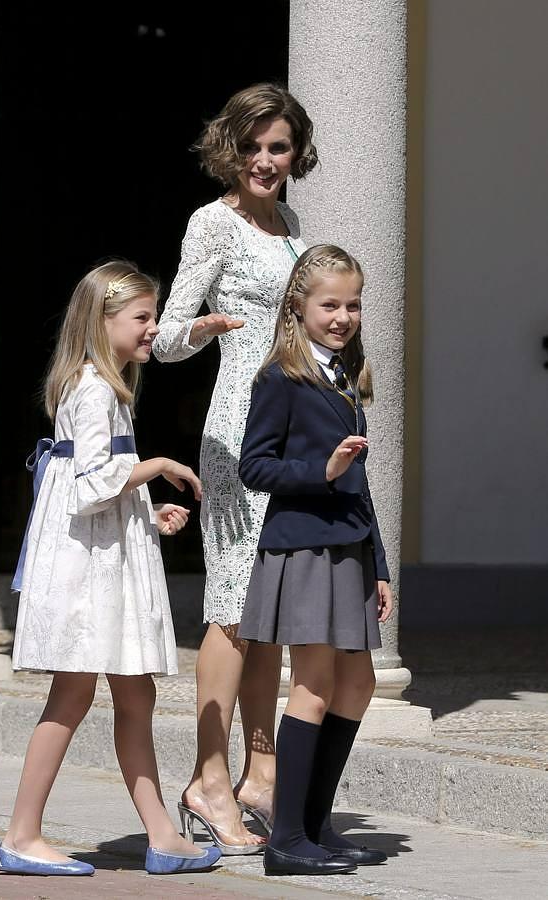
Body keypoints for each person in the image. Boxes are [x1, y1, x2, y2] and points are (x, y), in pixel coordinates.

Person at [0, 261, 219, 877]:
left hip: (100, 558)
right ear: (104, 321)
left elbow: (92, 485)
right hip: (85, 572)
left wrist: (148, 515)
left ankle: (162, 835)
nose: (152, 329)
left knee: (135, 690)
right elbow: (94, 483)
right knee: (72, 693)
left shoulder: (107, 387)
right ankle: (22, 833)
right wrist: (158, 467)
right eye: (142, 318)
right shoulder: (95, 388)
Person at [152, 83, 317, 852]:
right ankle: (207, 779)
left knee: (270, 609)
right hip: (236, 429)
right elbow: (164, 339)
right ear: (231, 148)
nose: (263, 160)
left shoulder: (292, 227)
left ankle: (262, 774)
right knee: (231, 605)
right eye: (250, 146)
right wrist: (205, 327)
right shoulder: (212, 224)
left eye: (277, 147)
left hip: (292, 430)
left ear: (294, 153)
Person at [237, 244, 391, 876]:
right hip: (303, 546)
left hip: (348, 548)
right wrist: (320, 472)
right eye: (330, 304)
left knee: (359, 682)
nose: (343, 316)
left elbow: (362, 483)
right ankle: (286, 837)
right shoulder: (281, 376)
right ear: (298, 306)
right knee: (315, 684)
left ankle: (315, 823)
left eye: (352, 304)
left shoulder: (347, 375)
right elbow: (254, 465)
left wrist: (378, 564)